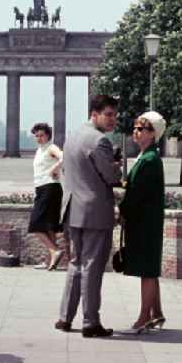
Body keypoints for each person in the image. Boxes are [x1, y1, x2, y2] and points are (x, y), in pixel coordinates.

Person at [56, 94, 121, 338]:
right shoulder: (99, 141)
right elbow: (111, 177)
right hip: (94, 211)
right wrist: (117, 167)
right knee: (93, 266)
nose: (113, 119)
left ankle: (65, 317)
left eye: (114, 114)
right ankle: (90, 321)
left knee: (76, 263)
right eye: (109, 114)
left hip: (73, 209)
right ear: (95, 114)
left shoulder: (72, 136)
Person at [118, 111, 166, 334]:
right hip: (147, 222)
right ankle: (156, 313)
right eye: (135, 127)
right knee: (150, 270)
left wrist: (121, 210)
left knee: (147, 271)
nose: (135, 132)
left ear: (153, 134)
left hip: (145, 223)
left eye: (141, 129)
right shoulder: (147, 157)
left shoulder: (149, 160)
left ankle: (143, 318)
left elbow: (137, 194)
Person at [28, 122, 66, 271]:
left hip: (50, 188)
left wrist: (55, 168)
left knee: (35, 224)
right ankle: (49, 260)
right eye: (36, 136)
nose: (39, 138)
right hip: (43, 189)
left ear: (48, 135)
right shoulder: (39, 150)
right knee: (49, 226)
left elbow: (64, 157)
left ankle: (55, 250)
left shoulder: (51, 147)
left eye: (41, 135)